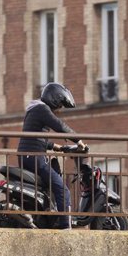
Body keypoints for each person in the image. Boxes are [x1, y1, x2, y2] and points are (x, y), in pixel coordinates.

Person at [17, 82, 86, 229]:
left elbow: (35, 136)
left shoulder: (35, 109)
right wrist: (78, 140)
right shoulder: (42, 109)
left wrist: (56, 147)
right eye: (60, 105)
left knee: (50, 187)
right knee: (62, 189)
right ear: (54, 99)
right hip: (33, 157)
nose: (60, 109)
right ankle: (65, 226)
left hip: (29, 156)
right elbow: (59, 125)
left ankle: (49, 216)